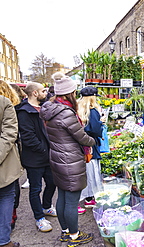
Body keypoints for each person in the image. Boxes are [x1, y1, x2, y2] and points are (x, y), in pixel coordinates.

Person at [40, 72, 95, 246]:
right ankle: (74, 236)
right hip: (70, 161)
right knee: (71, 200)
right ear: (69, 93)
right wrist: (93, 140)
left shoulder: (51, 109)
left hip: (58, 158)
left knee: (63, 196)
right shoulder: (66, 113)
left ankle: (65, 232)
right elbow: (81, 137)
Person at [15, 82, 57, 232]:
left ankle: (46, 206)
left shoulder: (45, 108)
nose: (46, 93)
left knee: (52, 183)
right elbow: (28, 138)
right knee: (35, 188)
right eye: (43, 91)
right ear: (34, 93)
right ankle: (39, 218)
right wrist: (46, 151)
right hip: (34, 158)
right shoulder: (24, 112)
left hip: (48, 155)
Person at [0, 80, 23, 247]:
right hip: (4, 164)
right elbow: (10, 133)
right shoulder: (3, 102)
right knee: (6, 198)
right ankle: (3, 241)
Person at [77, 86, 103, 210]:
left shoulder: (77, 109)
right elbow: (96, 129)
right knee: (91, 172)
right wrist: (101, 123)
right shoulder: (93, 111)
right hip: (91, 145)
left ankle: (84, 197)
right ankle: (89, 198)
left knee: (83, 172)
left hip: (80, 146)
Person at [8, 84, 26, 230]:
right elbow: (11, 136)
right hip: (9, 156)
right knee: (11, 189)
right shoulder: (14, 110)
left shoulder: (16, 110)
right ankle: (10, 217)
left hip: (10, 155)